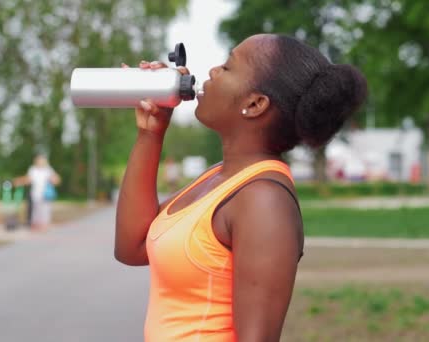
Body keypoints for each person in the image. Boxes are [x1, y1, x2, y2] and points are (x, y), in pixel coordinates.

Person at [115, 33, 367, 341]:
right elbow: (133, 246)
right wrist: (150, 133)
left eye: (227, 67)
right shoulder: (218, 178)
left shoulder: (263, 200)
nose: (212, 72)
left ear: (255, 103)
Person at [15, 154, 61, 232]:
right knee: (36, 212)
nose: (40, 162)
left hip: (46, 195)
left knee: (45, 211)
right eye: (38, 160)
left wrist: (53, 179)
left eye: (41, 160)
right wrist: (19, 181)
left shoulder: (48, 170)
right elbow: (28, 179)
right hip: (35, 195)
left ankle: (44, 227)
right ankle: (37, 227)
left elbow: (57, 180)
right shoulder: (33, 170)